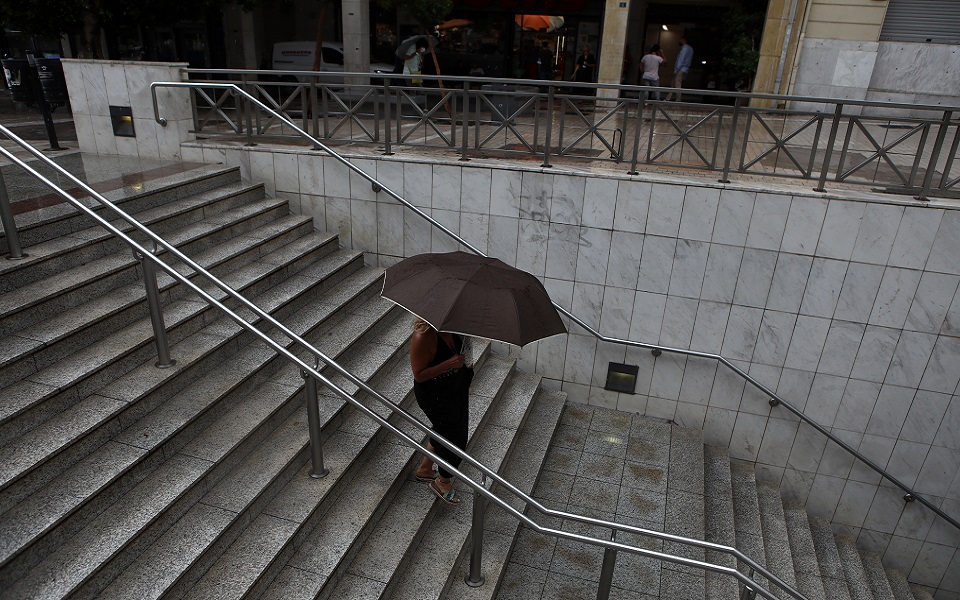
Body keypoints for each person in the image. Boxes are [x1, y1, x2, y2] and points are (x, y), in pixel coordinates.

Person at [410, 318, 472, 505]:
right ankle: (443, 481)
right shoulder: (423, 336)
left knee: (444, 428)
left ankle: (425, 469)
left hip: (455, 390)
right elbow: (419, 375)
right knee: (456, 437)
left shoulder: (455, 328)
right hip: (435, 396)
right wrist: (450, 363)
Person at [665, 36, 693, 101]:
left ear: (683, 40)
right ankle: (668, 98)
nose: (679, 41)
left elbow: (680, 60)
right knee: (673, 83)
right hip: (685, 68)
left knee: (677, 83)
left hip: (680, 69)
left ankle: (678, 99)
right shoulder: (690, 49)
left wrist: (676, 70)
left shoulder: (684, 49)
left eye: (680, 40)